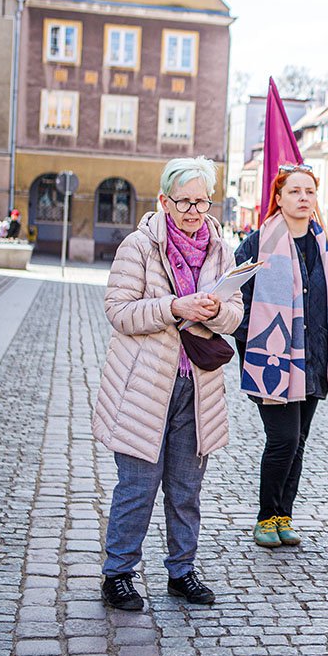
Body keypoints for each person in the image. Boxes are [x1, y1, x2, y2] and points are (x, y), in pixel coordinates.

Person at [94, 156, 244, 611]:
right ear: (164, 200)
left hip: (197, 387)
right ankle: (118, 573)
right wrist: (174, 307)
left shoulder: (221, 249)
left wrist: (217, 312)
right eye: (184, 201)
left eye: (203, 201)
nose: (195, 211)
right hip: (144, 386)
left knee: (186, 489)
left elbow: (236, 316)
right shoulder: (139, 247)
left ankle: (182, 571)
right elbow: (118, 312)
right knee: (137, 485)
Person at [234, 163, 328, 548]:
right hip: (272, 360)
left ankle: (282, 516)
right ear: (278, 198)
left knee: (299, 440)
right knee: (283, 439)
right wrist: (255, 347)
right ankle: (264, 517)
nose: (303, 198)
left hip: (314, 360)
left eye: (309, 191)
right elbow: (236, 302)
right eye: (294, 191)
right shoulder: (257, 244)